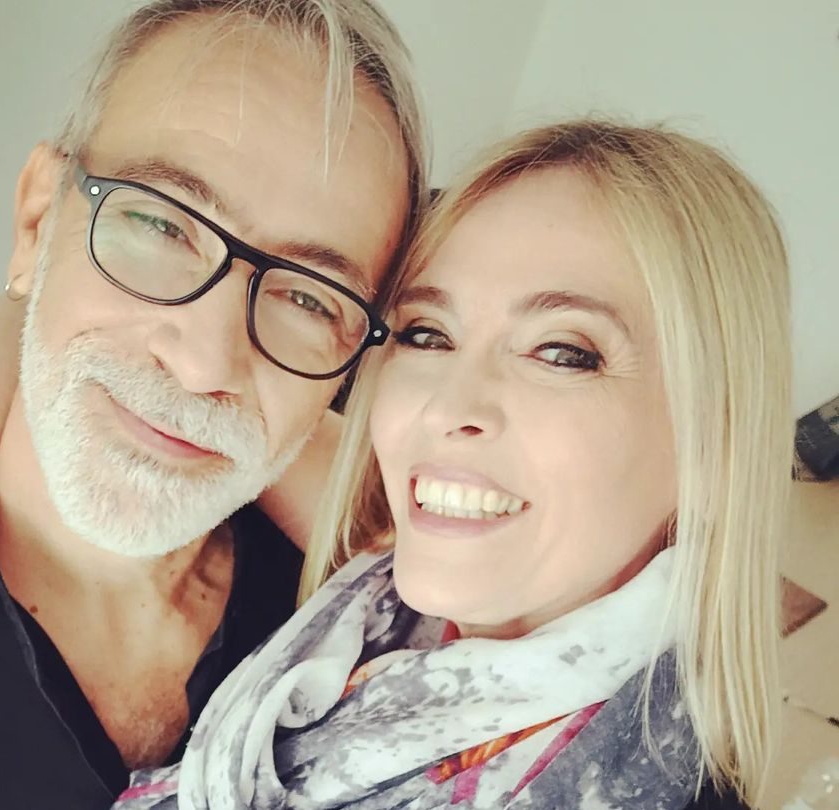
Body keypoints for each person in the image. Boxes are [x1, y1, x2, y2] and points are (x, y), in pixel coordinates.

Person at [0, 1, 427, 807]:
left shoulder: (375, 630)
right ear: (39, 221)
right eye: (161, 225)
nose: (201, 364)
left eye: (310, 298)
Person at [108, 120, 793, 808]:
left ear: (715, 449)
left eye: (563, 353)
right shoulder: (371, 607)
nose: (446, 407)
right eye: (428, 334)